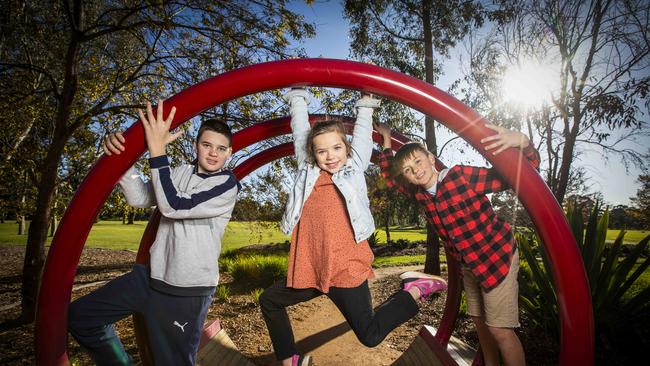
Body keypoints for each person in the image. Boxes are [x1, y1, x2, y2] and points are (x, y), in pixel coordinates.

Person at [259, 89, 447, 366]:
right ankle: (291, 361)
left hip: (346, 269)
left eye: (336, 148)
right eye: (321, 151)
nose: (330, 155)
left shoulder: (353, 168)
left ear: (347, 149)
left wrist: (366, 105)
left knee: (370, 336)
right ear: (312, 154)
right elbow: (301, 135)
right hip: (311, 271)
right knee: (270, 301)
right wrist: (297, 99)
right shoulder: (307, 171)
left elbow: (360, 135)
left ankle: (414, 290)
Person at [68, 100, 240, 366]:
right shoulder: (181, 171)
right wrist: (122, 159)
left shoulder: (226, 185)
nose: (213, 153)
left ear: (229, 152)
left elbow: (173, 205)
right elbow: (141, 197)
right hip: (149, 278)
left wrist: (157, 149)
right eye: (207, 145)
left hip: (186, 291)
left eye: (220, 148)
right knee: (82, 317)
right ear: (197, 145)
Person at [374, 121, 540, 366]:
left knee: (500, 330)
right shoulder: (420, 194)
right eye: (408, 169)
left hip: (497, 258)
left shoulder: (461, 176)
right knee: (481, 325)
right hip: (470, 265)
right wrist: (386, 139)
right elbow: (389, 175)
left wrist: (524, 143)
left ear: (431, 158)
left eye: (418, 162)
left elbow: (519, 177)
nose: (415, 171)